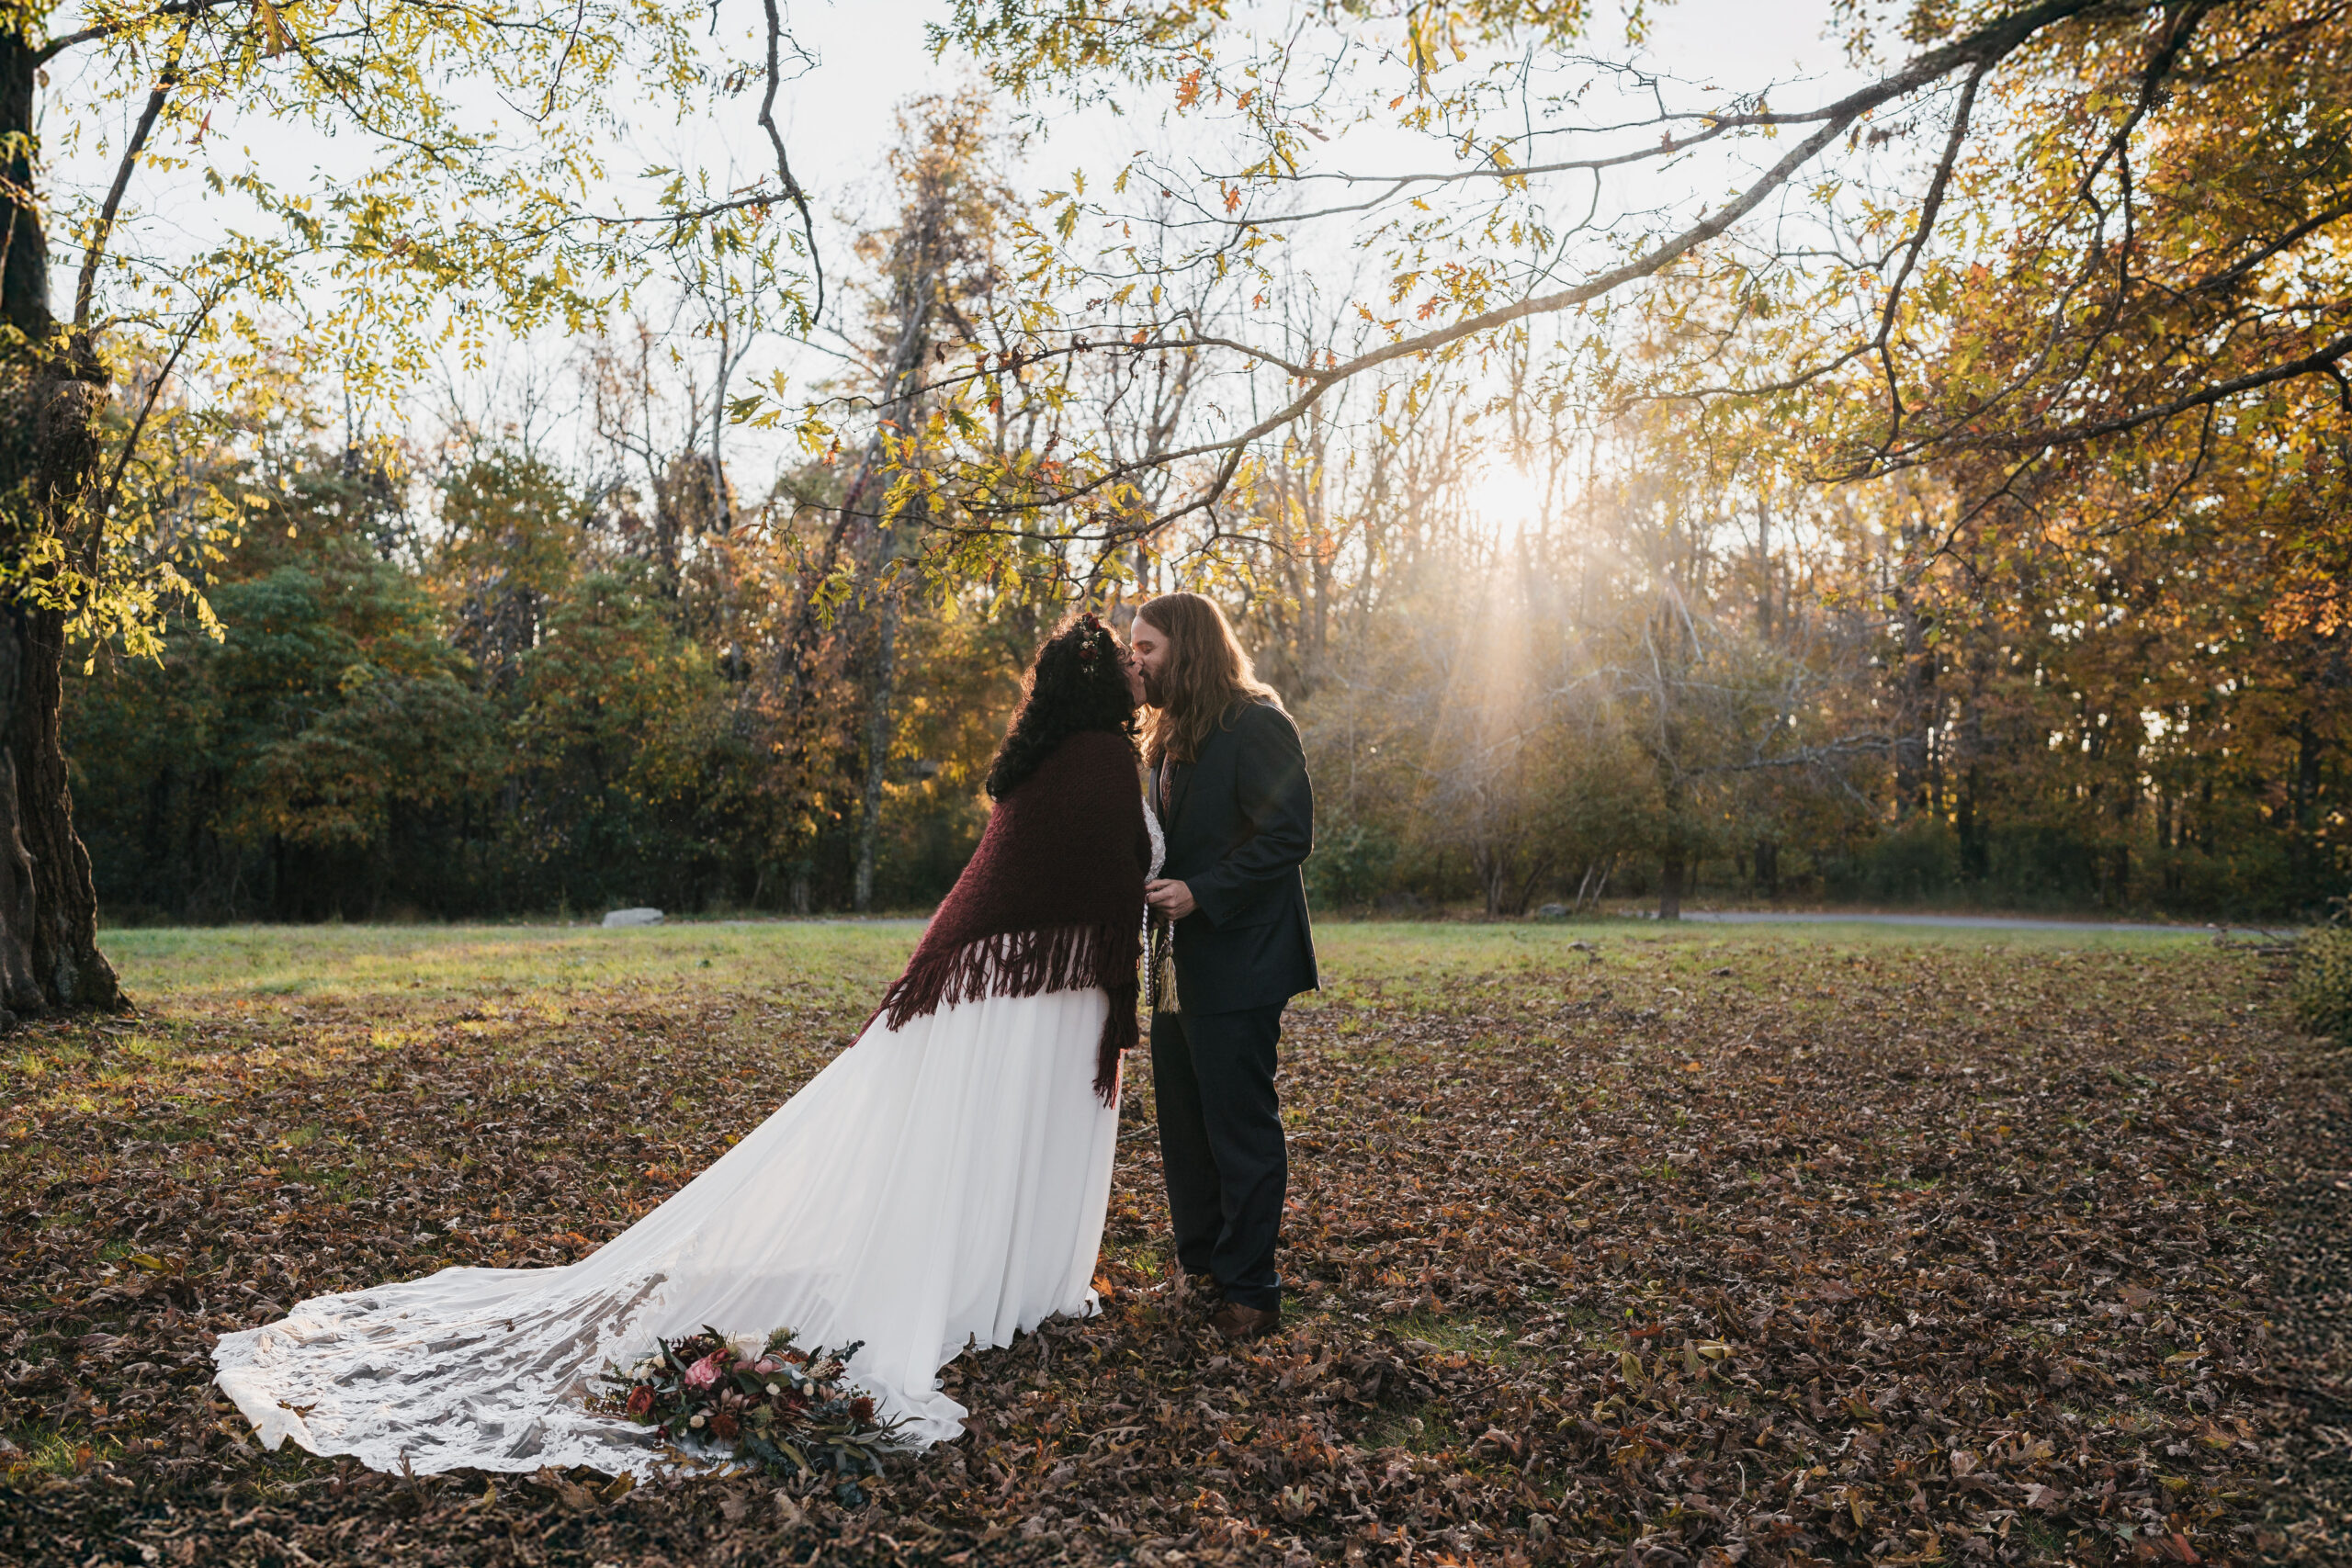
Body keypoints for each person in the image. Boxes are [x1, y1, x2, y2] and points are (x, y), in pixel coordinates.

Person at [213, 611, 1160, 1476]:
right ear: (1100, 684)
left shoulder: (1040, 759)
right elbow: (1115, 873)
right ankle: (997, 1289)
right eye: (1125, 660)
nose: (1133, 672)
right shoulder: (1103, 761)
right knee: (1006, 1136)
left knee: (972, 1140)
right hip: (1044, 991)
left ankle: (991, 1285)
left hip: (1004, 981)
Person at [1129, 592, 1317, 1342]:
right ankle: (1199, 1266)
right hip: (1175, 965)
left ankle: (1250, 1289)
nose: (1135, 661)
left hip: (1240, 961)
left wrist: (1201, 893)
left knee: (1240, 1128)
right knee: (1182, 1124)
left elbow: (1289, 836)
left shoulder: (1257, 723)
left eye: (1147, 648)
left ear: (1190, 647)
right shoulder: (1167, 732)